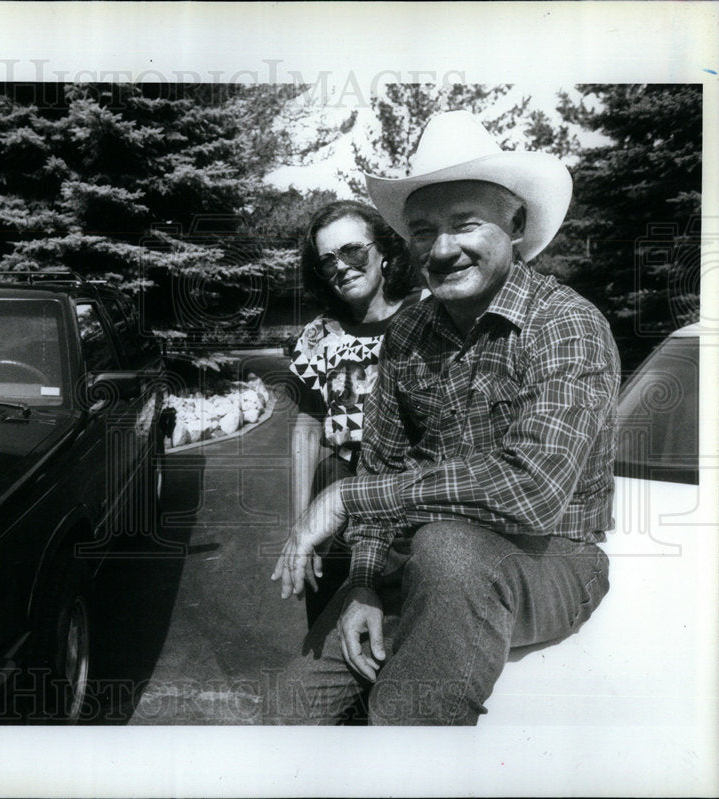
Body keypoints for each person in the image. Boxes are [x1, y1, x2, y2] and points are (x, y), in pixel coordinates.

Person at [270, 110, 620, 725]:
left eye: (465, 224)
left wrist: (352, 496)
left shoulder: (566, 324)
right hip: (419, 562)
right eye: (423, 230)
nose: (442, 248)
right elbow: (383, 458)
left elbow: (533, 490)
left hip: (552, 559)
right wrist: (364, 585)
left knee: (445, 558)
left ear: (515, 224)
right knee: (290, 705)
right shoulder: (407, 332)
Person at [288, 200, 421, 628]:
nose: (341, 267)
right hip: (339, 493)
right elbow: (307, 432)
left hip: (413, 500)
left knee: (405, 631)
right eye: (328, 261)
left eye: (353, 251)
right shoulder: (319, 335)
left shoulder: (426, 317)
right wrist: (300, 526)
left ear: (384, 251)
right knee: (329, 625)